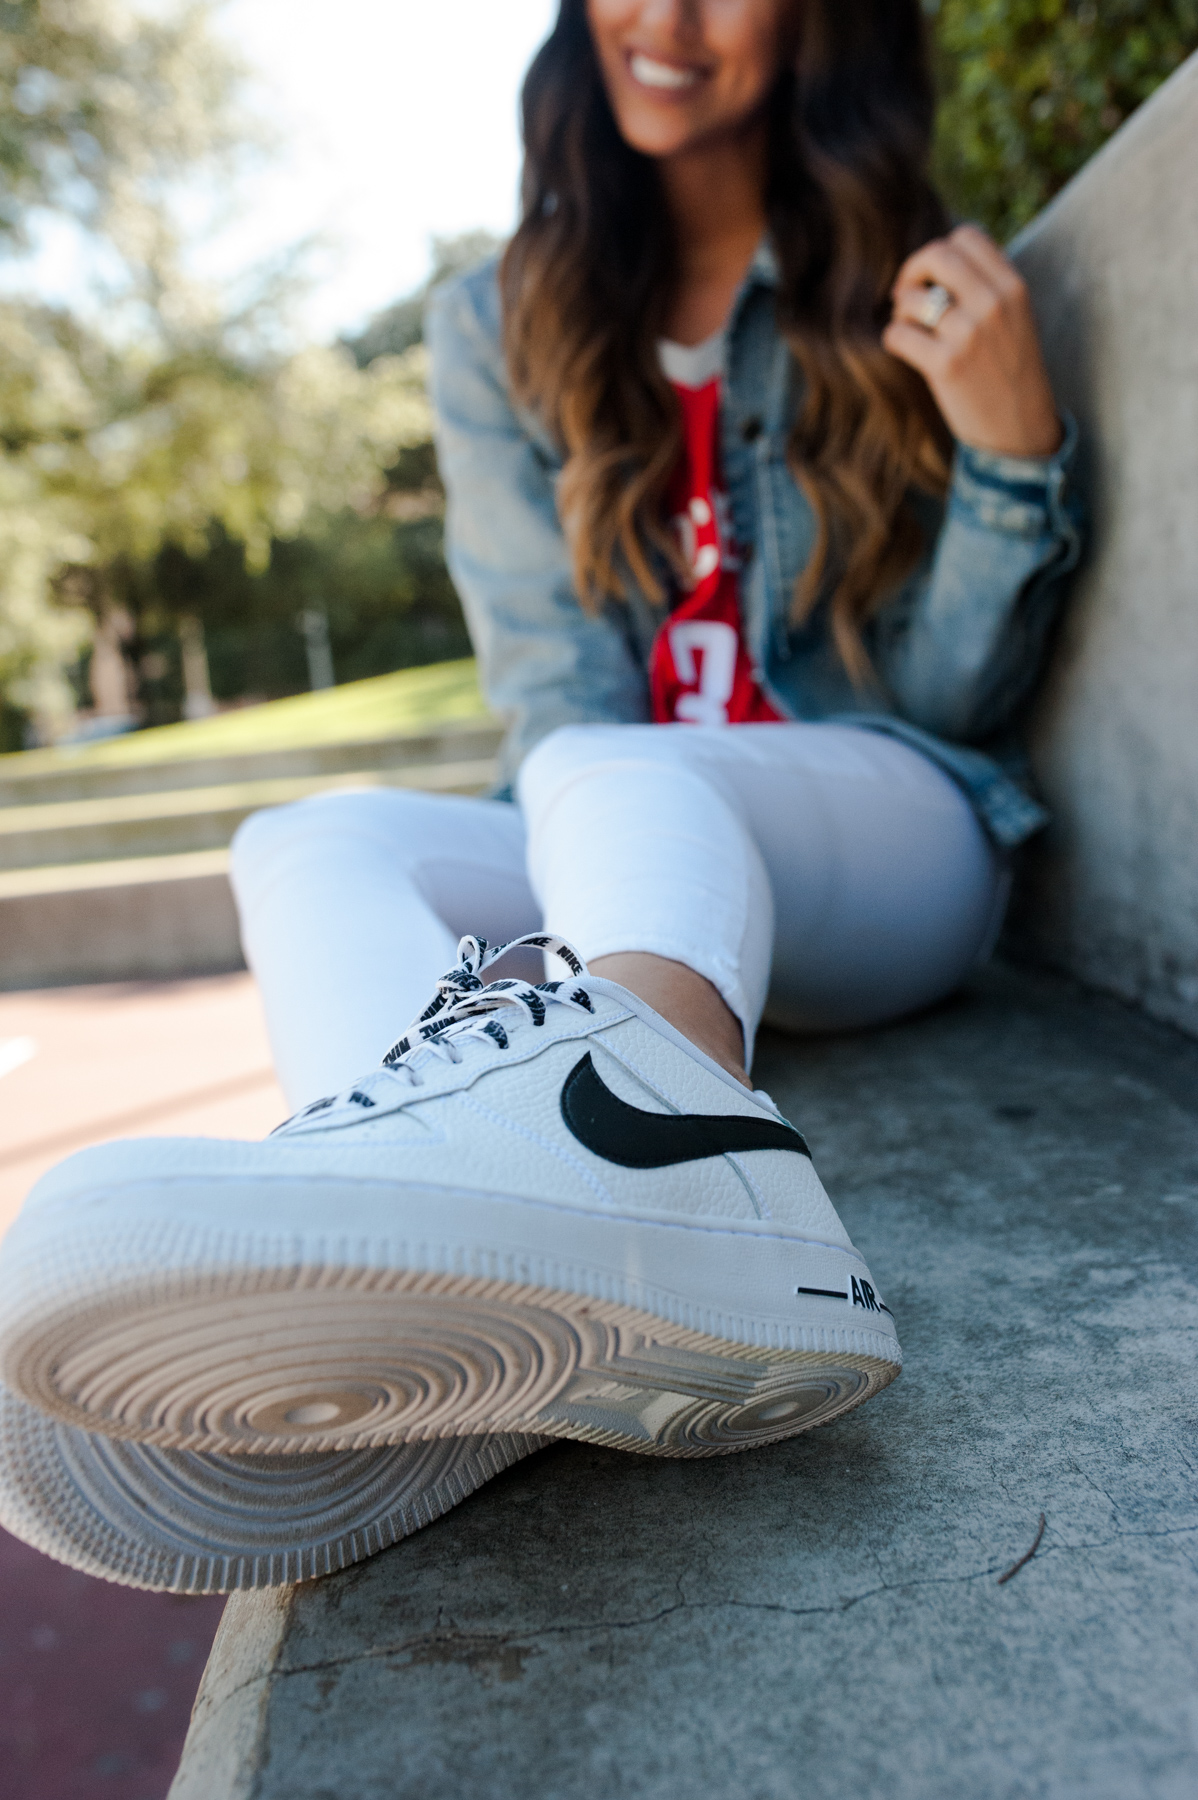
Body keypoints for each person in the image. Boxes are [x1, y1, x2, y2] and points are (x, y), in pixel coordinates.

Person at [0, 0, 1081, 1592]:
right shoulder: (498, 321)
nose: (666, 16)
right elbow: (550, 683)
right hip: (633, 857)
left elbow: (942, 700)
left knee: (607, 760)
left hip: (888, 839)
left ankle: (692, 1174)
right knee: (309, 837)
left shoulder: (896, 279)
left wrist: (1006, 459)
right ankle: (421, 1271)